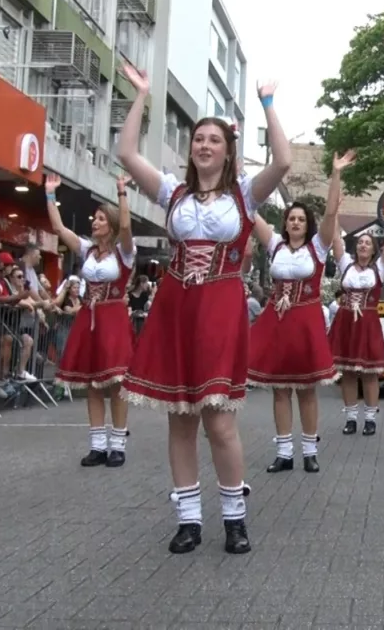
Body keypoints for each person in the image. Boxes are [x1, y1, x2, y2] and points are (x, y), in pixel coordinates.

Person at [117, 64, 291, 555]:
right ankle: (189, 517)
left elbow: (281, 162)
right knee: (179, 416)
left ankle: (235, 515)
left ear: (227, 150)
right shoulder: (173, 192)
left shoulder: (244, 194)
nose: (205, 146)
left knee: (218, 418)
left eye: (214, 140)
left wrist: (268, 104)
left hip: (219, 304)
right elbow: (126, 153)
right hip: (176, 304)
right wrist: (142, 97)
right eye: (199, 139)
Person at [249, 152, 349, 472]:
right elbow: (250, 211)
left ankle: (309, 451)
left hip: (305, 322)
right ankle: (284, 453)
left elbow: (331, 212)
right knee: (280, 389)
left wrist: (336, 174)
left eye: (301, 219)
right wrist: (236, 178)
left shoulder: (317, 247)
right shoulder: (275, 245)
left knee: (306, 389)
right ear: (285, 223)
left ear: (308, 225)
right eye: (291, 218)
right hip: (277, 322)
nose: (295, 222)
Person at [45, 172, 135, 468]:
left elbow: (125, 224)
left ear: (109, 223)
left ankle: (118, 443)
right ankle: (97, 445)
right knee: (93, 384)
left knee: (116, 383)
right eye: (93, 219)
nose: (94, 222)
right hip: (89, 316)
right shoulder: (87, 250)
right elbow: (58, 227)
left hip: (113, 318)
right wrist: (49, 194)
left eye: (99, 218)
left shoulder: (124, 252)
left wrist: (122, 193)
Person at [328, 165, 384, 437]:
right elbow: (335, 237)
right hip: (346, 319)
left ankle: (370, 417)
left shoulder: (379, 269)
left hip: (367, 320)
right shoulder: (346, 265)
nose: (363, 245)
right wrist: (334, 209)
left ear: (374, 248)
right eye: (359, 242)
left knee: (369, 373)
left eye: (367, 243)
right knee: (347, 372)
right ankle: (350, 418)